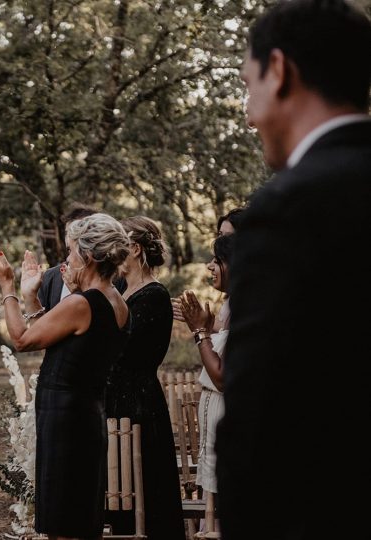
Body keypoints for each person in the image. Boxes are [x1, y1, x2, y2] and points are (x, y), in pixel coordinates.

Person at [217, 2, 371, 538]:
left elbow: (259, 422)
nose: (248, 111)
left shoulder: (287, 211)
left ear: (279, 70)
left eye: (247, 84)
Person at [0, 213, 130, 540]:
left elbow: (22, 338)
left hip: (67, 424)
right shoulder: (116, 301)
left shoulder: (83, 303)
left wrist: (7, 283)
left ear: (89, 257)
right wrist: (33, 298)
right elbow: (61, 334)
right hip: (86, 417)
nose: (67, 259)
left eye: (71, 251)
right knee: (81, 522)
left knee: (65, 526)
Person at [104, 216, 184, 540]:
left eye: (118, 248)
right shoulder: (123, 289)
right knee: (116, 495)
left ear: (134, 249)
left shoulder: (154, 296)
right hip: (115, 400)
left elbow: (126, 351)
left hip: (138, 404)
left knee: (143, 492)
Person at [177, 234, 232, 502]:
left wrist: (200, 332)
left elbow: (222, 376)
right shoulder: (229, 306)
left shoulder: (247, 307)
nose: (210, 266)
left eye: (218, 260)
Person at [37, 204, 99, 311]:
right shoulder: (49, 277)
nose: (69, 239)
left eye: (76, 232)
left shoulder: (109, 277)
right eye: (67, 233)